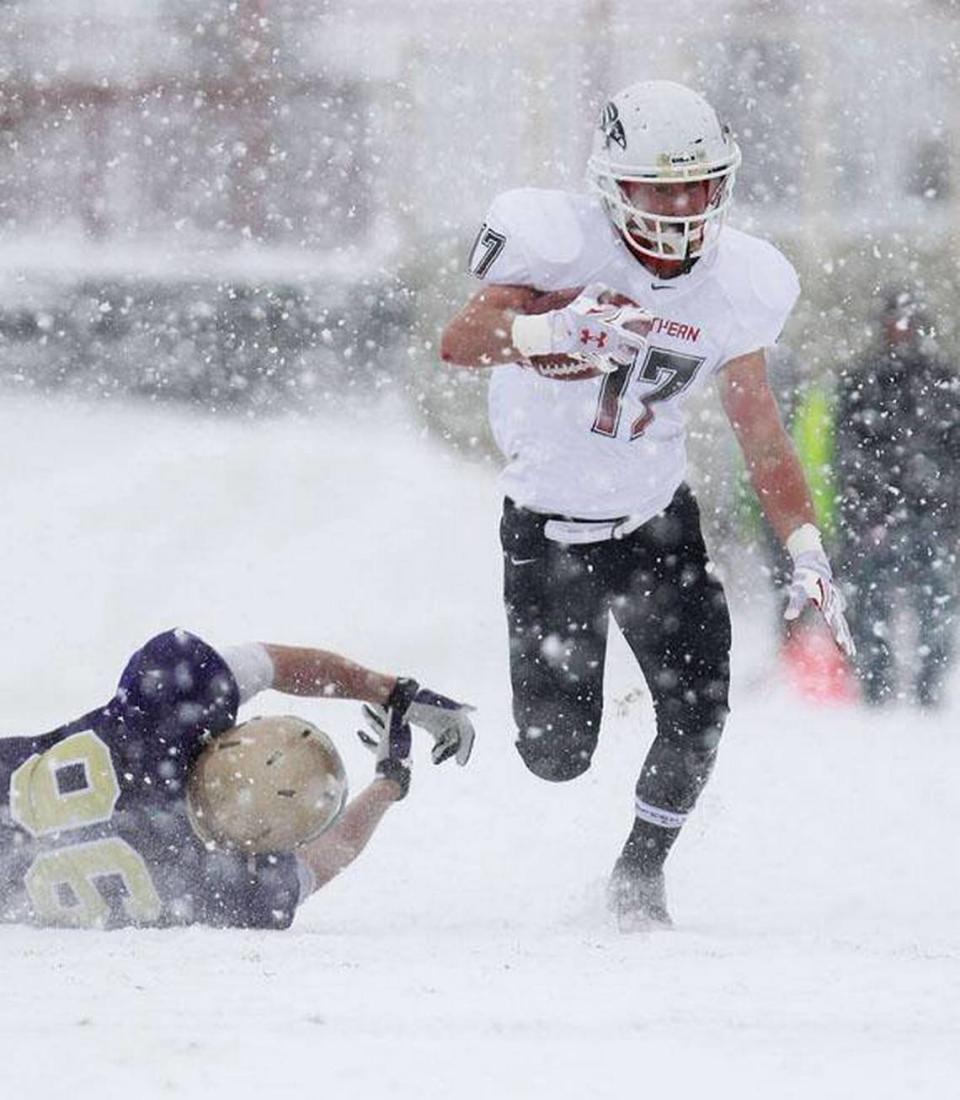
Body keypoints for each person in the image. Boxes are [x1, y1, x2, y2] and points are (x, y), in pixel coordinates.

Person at [440, 80, 853, 931]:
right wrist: (548, 333)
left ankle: (639, 875)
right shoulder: (557, 246)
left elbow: (763, 434)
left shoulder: (744, 281)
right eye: (662, 187)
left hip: (656, 521)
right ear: (612, 185)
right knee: (556, 757)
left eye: (700, 184)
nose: (684, 206)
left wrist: (805, 544)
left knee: (700, 712)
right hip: (547, 531)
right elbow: (459, 340)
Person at [0, 628, 475, 929]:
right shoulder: (212, 882)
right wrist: (388, 783)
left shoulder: (160, 721)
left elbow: (267, 663)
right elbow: (326, 858)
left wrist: (392, 691)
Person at [834, 287, 960, 707]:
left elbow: (953, 447)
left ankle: (927, 683)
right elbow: (847, 450)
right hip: (878, 515)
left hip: (932, 514)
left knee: (936, 602)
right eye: (894, 323)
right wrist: (867, 499)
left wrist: (940, 492)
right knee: (870, 600)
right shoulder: (862, 379)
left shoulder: (944, 379)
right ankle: (875, 680)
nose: (900, 331)